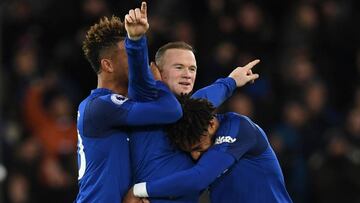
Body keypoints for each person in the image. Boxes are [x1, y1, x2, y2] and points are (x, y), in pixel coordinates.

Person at [127, 7, 260, 203]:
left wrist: (232, 80)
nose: (187, 74)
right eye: (179, 67)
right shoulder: (146, 100)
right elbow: (138, 73)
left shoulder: (194, 109)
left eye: (192, 69)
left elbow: (211, 94)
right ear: (158, 72)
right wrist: (136, 41)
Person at [75, 2, 184, 202]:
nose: (136, 60)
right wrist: (159, 84)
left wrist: (137, 38)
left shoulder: (120, 106)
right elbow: (171, 111)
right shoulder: (100, 106)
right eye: (128, 54)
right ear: (107, 65)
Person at [127, 95, 293, 203]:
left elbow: (199, 178)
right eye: (189, 151)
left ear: (212, 124)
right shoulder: (206, 147)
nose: (195, 156)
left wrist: (139, 190)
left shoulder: (240, 128)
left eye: (198, 147)